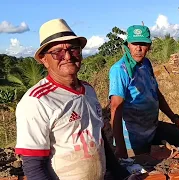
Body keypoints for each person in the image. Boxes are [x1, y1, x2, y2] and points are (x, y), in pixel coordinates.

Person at [14, 18, 134, 180]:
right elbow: (34, 166)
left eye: (73, 49)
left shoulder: (89, 91)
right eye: (57, 52)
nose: (68, 56)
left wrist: (120, 174)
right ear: (44, 59)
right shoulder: (37, 101)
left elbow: (99, 139)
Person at [109, 25, 179, 160]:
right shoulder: (120, 70)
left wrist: (175, 118)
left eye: (143, 44)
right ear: (128, 45)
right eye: (135, 44)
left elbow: (155, 93)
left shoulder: (146, 64)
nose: (138, 49)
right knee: (143, 172)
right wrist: (120, 148)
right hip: (133, 138)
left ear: (149, 46)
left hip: (152, 128)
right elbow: (115, 107)